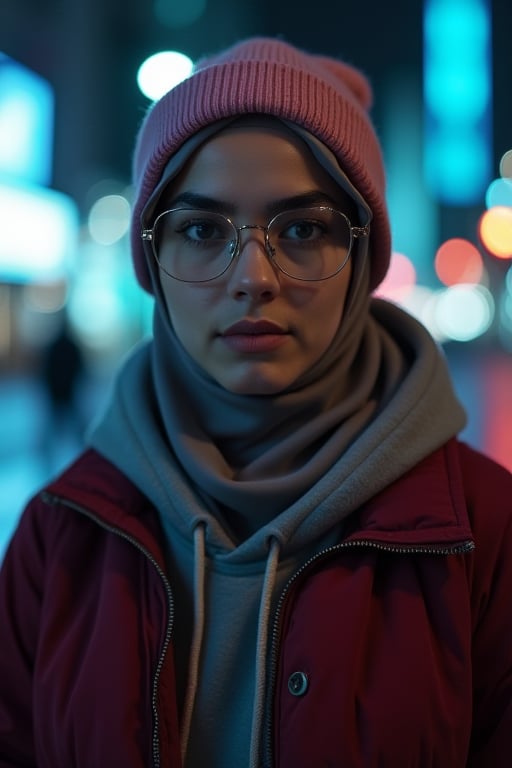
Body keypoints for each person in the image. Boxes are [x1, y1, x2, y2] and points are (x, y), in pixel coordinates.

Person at [0, 36, 511, 768]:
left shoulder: (483, 534)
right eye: (203, 230)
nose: (253, 278)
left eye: (302, 230)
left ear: (361, 259)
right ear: (153, 262)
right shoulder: (60, 537)